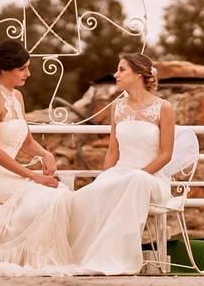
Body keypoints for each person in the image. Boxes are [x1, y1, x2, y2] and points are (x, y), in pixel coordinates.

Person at [0, 40, 75, 276]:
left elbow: (26, 141)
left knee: (58, 194)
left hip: (5, 171)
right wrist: (34, 176)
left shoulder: (17, 97)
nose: (28, 74)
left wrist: (45, 154)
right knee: (39, 196)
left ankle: (34, 259)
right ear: (5, 68)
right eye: (23, 69)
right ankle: (2, 256)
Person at [69, 53, 175, 274]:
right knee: (81, 198)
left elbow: (166, 154)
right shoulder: (116, 107)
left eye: (121, 69)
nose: (116, 74)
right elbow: (112, 150)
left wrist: (140, 175)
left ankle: (120, 259)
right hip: (120, 174)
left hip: (151, 179)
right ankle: (80, 255)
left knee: (134, 180)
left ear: (138, 73)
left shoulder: (164, 108)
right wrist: (104, 179)